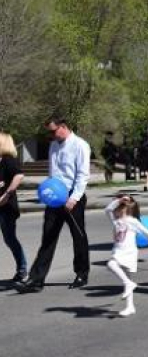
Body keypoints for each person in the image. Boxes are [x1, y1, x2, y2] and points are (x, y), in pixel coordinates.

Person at [19, 117, 91, 293]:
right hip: (54, 198)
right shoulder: (53, 145)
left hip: (73, 198)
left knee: (78, 236)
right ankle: (36, 279)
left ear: (63, 127)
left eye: (53, 131)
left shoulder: (80, 145)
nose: (51, 135)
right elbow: (53, 173)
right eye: (49, 132)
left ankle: (82, 273)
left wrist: (73, 198)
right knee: (48, 238)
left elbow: (83, 175)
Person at [104, 195, 148, 317]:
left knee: (127, 278)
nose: (115, 210)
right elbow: (107, 210)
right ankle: (130, 300)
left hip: (130, 252)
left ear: (124, 209)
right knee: (112, 265)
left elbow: (145, 232)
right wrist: (119, 200)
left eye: (117, 208)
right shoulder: (115, 221)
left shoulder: (132, 221)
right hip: (118, 251)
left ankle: (129, 306)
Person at [0, 132, 27, 282]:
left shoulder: (9, 160)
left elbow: (19, 175)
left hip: (6, 208)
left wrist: (7, 194)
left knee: (9, 239)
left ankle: (22, 269)